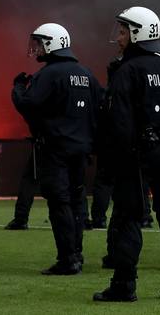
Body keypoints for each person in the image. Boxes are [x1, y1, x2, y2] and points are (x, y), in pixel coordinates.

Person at [94, 7, 160, 302]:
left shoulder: (127, 71)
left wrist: (116, 162)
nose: (119, 37)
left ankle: (124, 286)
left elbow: (119, 122)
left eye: (124, 31)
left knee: (128, 218)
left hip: (137, 156)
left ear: (139, 33)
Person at [11, 23, 101, 275]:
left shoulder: (49, 74)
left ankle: (67, 259)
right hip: (81, 151)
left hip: (55, 151)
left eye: (40, 43)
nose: (37, 48)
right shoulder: (86, 73)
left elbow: (29, 105)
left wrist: (17, 88)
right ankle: (77, 254)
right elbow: (101, 107)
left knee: (59, 203)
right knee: (75, 201)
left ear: (53, 43)